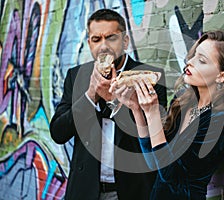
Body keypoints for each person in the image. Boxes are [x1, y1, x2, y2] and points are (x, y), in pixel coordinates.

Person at [110, 30, 224, 199]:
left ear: (222, 76)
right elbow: (153, 162)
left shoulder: (221, 121)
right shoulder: (184, 103)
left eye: (202, 60)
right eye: (193, 56)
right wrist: (136, 109)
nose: (189, 62)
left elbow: (170, 175)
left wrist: (153, 112)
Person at [50, 9, 167, 200]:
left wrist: (114, 102)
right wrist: (90, 96)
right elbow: (58, 132)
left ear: (125, 41)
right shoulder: (76, 76)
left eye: (111, 38)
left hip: (132, 190)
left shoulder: (150, 77)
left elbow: (155, 138)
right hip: (85, 189)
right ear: (89, 43)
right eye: (96, 39)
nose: (103, 46)